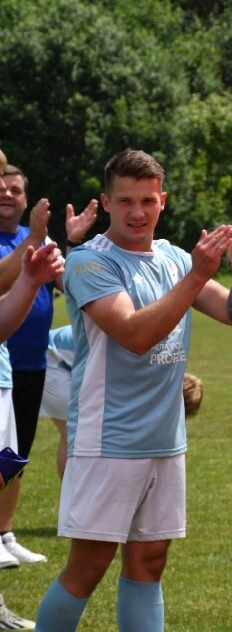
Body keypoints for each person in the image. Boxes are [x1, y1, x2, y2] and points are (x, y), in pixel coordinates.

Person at [35, 148, 232, 631]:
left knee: (149, 565)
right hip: (108, 440)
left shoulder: (174, 257)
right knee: (88, 569)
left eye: (147, 200)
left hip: (166, 440)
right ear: (107, 201)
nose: (137, 212)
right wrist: (199, 273)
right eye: (124, 201)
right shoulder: (87, 262)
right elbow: (136, 336)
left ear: (164, 201)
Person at [0, 163, 98, 569]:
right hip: (5, 359)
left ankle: (5, 534)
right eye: (1, 189)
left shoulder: (32, 237)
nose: (8, 195)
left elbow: (69, 283)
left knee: (13, 456)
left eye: (16, 190)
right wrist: (37, 240)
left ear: (27, 198)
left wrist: (70, 244)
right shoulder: (26, 241)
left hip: (31, 362)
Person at [38, 322, 205, 479]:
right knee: (72, 435)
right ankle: (73, 491)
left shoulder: (157, 369)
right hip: (50, 357)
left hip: (63, 352)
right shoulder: (145, 374)